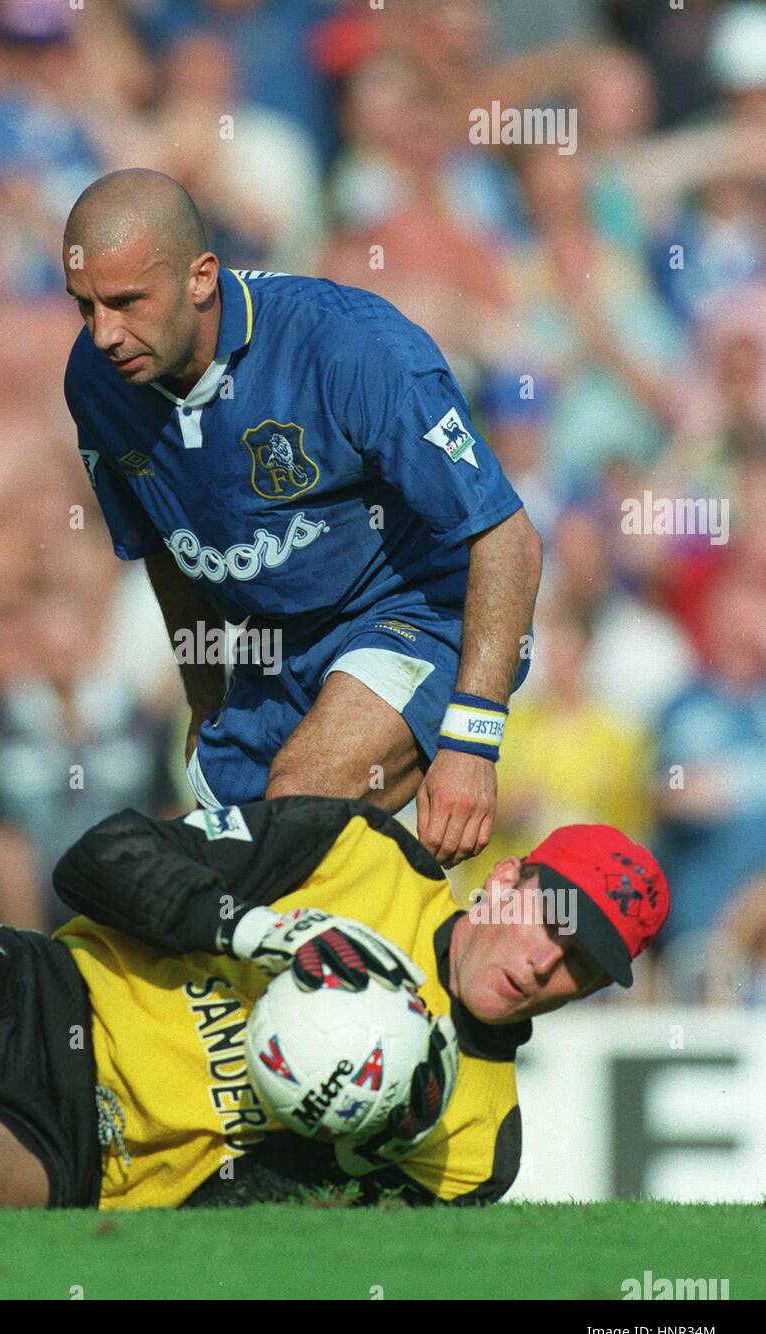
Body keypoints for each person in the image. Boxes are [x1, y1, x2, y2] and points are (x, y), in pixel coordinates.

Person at [0, 796, 666, 1215]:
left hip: (75, 1149)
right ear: (502, 883)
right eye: (551, 920)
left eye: (583, 963)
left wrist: (317, 1164)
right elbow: (98, 857)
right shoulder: (363, 853)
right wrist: (250, 930)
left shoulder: (473, 1147)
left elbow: (265, 1248)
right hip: (36, 992)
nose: (547, 963)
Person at [61, 168, 542, 868]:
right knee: (224, 866)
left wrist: (471, 741)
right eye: (85, 308)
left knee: (295, 803)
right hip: (276, 642)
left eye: (127, 301)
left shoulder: (348, 347)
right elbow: (168, 551)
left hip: (416, 607)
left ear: (201, 278)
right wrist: (205, 703)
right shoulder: (97, 385)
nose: (105, 333)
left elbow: (507, 537)